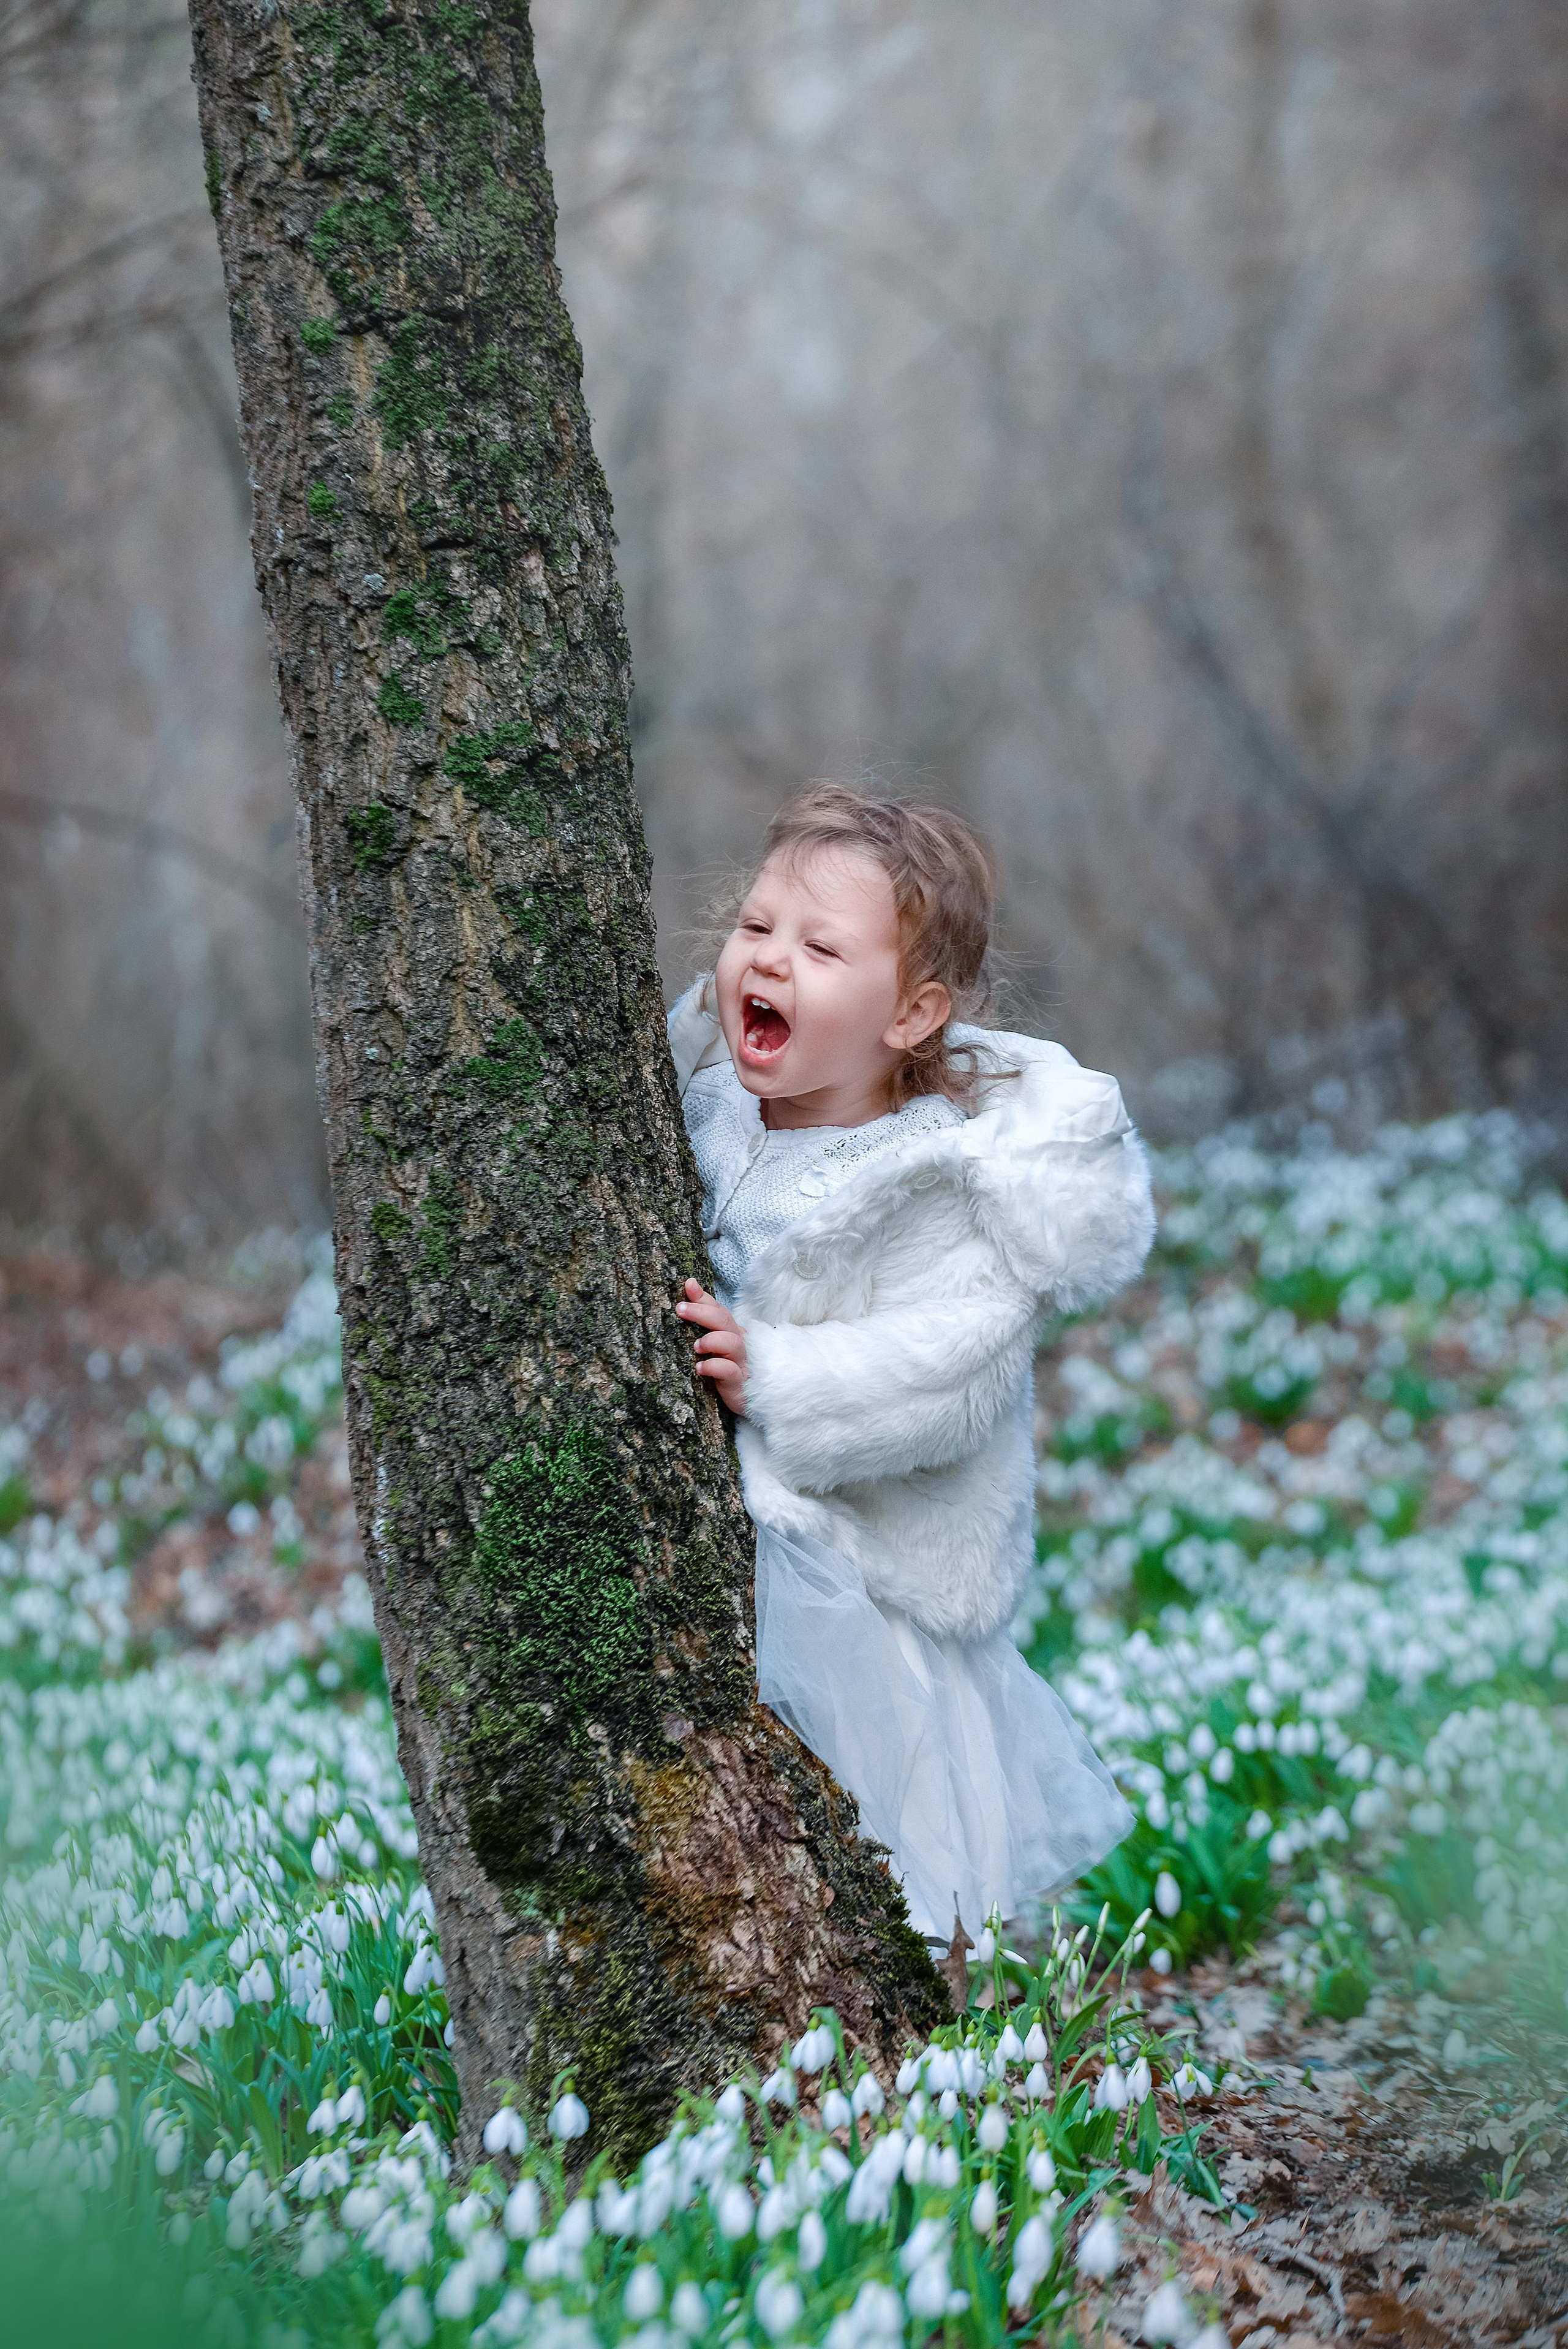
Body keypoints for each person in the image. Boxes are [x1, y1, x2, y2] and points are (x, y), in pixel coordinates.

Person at [668, 784, 1151, 1955]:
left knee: (886, 1864)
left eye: (820, 947)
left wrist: (778, 1370)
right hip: (766, 1540)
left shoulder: (938, 1175)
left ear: (910, 1012)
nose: (769, 959)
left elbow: (951, 1374)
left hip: (879, 1580)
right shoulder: (720, 1103)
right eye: (756, 928)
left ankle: (919, 2043)